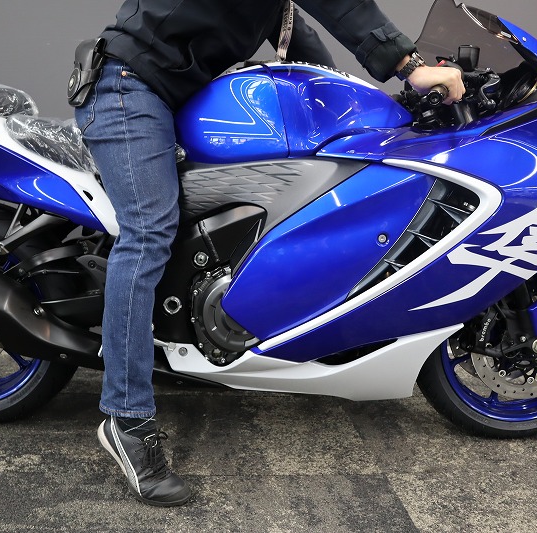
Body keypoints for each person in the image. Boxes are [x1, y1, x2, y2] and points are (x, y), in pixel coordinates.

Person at [74, 0, 465, 507]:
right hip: (128, 88)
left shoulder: (274, 10)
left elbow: (309, 53)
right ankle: (126, 419)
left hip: (168, 95)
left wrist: (373, 109)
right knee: (149, 231)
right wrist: (410, 66)